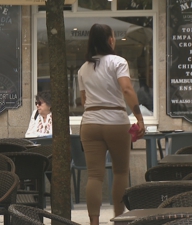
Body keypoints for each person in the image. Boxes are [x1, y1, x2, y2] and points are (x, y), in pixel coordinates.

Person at [77, 23, 145, 225]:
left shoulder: (83, 68)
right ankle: (119, 218)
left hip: (90, 122)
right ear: (110, 40)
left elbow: (84, 101)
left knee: (95, 176)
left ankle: (94, 222)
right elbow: (127, 90)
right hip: (115, 120)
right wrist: (139, 117)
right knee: (121, 171)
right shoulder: (118, 62)